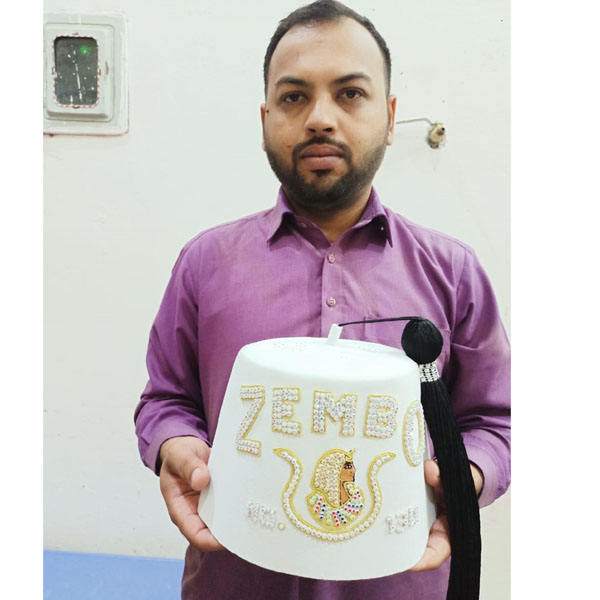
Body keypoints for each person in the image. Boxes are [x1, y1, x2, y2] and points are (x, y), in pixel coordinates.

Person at [134, 1, 510, 598]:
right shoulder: (204, 264)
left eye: (350, 94)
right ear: (265, 119)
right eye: (294, 97)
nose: (320, 119)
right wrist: (174, 447)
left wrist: (464, 479)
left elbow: (497, 419)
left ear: (390, 116)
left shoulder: (453, 272)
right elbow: (166, 400)